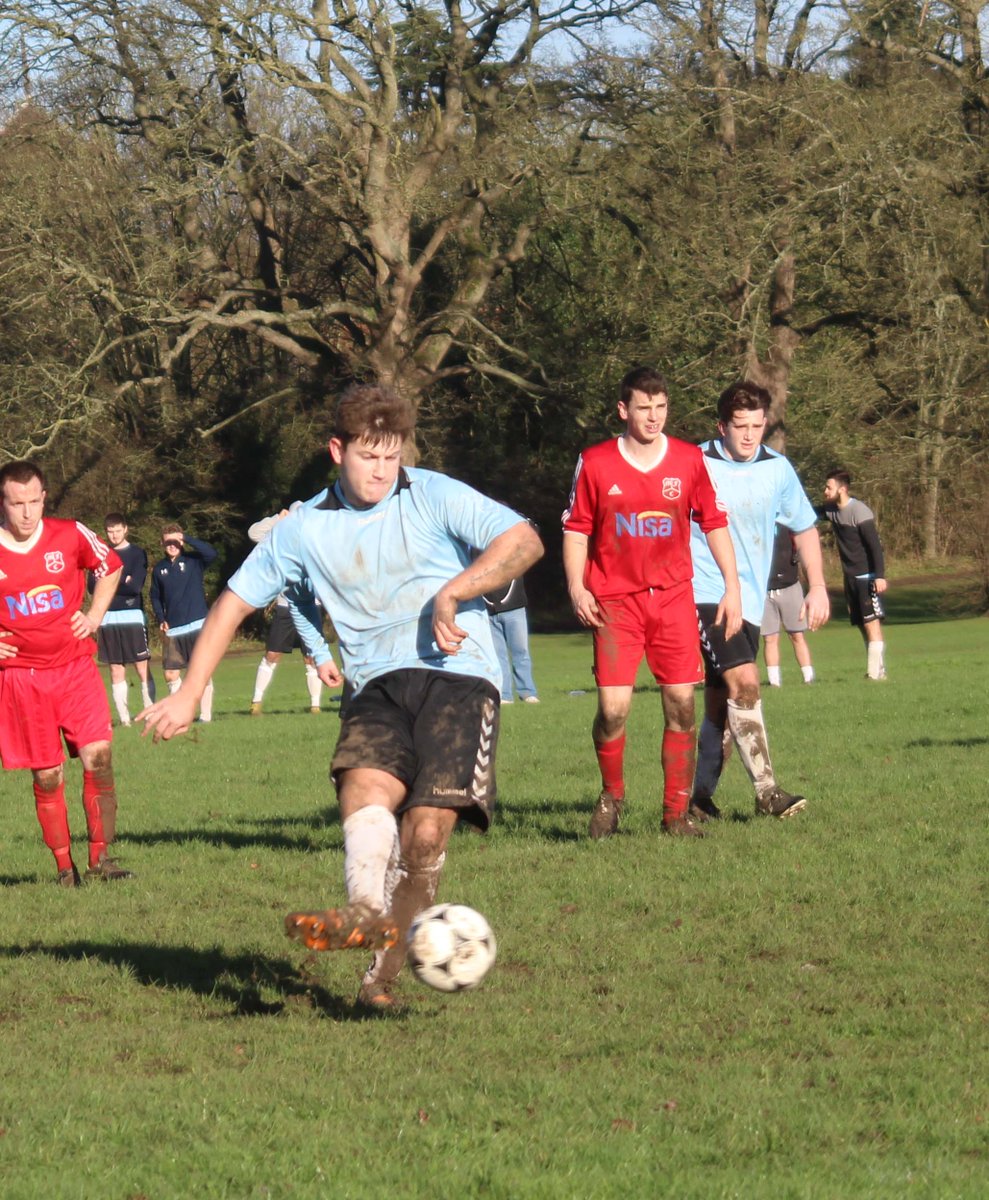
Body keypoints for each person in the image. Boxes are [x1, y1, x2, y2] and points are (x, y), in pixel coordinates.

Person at [139, 381, 544, 1010]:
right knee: (363, 788)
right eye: (368, 456)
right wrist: (190, 693)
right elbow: (231, 604)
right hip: (375, 684)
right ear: (338, 450)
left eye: (391, 456)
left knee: (426, 836)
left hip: (460, 676)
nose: (382, 470)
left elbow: (524, 541)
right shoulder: (302, 528)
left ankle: (376, 984)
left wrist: (455, 591)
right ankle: (363, 910)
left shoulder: (432, 493)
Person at [562, 365, 742, 840]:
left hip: (674, 601)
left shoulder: (687, 460)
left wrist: (732, 586)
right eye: (644, 407)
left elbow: (714, 522)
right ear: (624, 410)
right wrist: (578, 588)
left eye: (661, 407)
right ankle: (612, 794)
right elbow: (576, 529)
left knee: (682, 705)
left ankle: (675, 815)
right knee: (613, 711)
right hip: (615, 604)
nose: (654, 416)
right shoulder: (596, 462)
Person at [689, 381, 830, 822]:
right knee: (746, 683)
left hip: (750, 600)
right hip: (704, 593)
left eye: (757, 425)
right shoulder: (695, 461)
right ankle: (768, 792)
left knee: (720, 702)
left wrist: (819, 585)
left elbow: (804, 528)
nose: (749, 435)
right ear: (721, 426)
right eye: (740, 426)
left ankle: (697, 800)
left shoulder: (778, 469)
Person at [0, 461, 133, 885]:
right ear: (3, 502)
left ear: (44, 498)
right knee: (48, 774)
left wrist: (94, 615)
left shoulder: (70, 533)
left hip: (76, 668)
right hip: (23, 679)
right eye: (16, 503)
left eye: (33, 502)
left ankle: (100, 859)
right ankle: (63, 867)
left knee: (100, 756)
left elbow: (110, 566)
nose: (26, 513)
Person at [247, 507, 325, 715]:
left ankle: (315, 705)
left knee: (311, 657)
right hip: (285, 606)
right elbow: (253, 533)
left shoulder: (315, 539)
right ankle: (256, 702)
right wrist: (277, 519)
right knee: (272, 654)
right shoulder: (278, 539)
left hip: (311, 607)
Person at [820, 470, 888, 680]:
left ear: (842, 489)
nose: (825, 491)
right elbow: (804, 512)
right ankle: (879, 670)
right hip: (849, 577)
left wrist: (879, 576)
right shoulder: (831, 511)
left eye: (829, 487)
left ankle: (873, 674)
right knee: (861, 624)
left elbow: (874, 547)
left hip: (866, 577)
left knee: (871, 623)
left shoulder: (859, 511)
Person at [91, 512, 157, 725]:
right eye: (110, 531)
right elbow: (93, 587)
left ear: (125, 529)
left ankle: (149, 713)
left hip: (132, 616)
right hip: (108, 617)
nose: (114, 535)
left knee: (141, 665)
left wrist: (108, 582)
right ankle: (125, 720)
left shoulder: (137, 553)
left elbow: (135, 587)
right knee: (115, 668)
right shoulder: (101, 554)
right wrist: (122, 580)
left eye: (118, 530)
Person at [150, 523, 218, 721]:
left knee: (201, 671)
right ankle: (180, 713)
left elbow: (212, 554)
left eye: (175, 541)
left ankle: (205, 716)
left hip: (198, 624)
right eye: (167, 542)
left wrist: (186, 537)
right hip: (174, 629)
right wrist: (161, 618)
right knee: (171, 674)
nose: (171, 546)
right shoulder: (159, 569)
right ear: (162, 543)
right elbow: (155, 596)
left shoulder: (194, 560)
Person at [762, 523, 815, 686]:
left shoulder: (789, 523)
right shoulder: (759, 523)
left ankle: (809, 678)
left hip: (789, 586)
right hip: (765, 590)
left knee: (797, 635)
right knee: (770, 638)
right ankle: (774, 682)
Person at [483, 574, 539, 704]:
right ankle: (504, 694)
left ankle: (527, 692)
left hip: (515, 607)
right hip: (488, 610)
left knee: (521, 652)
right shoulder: (475, 554)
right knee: (498, 656)